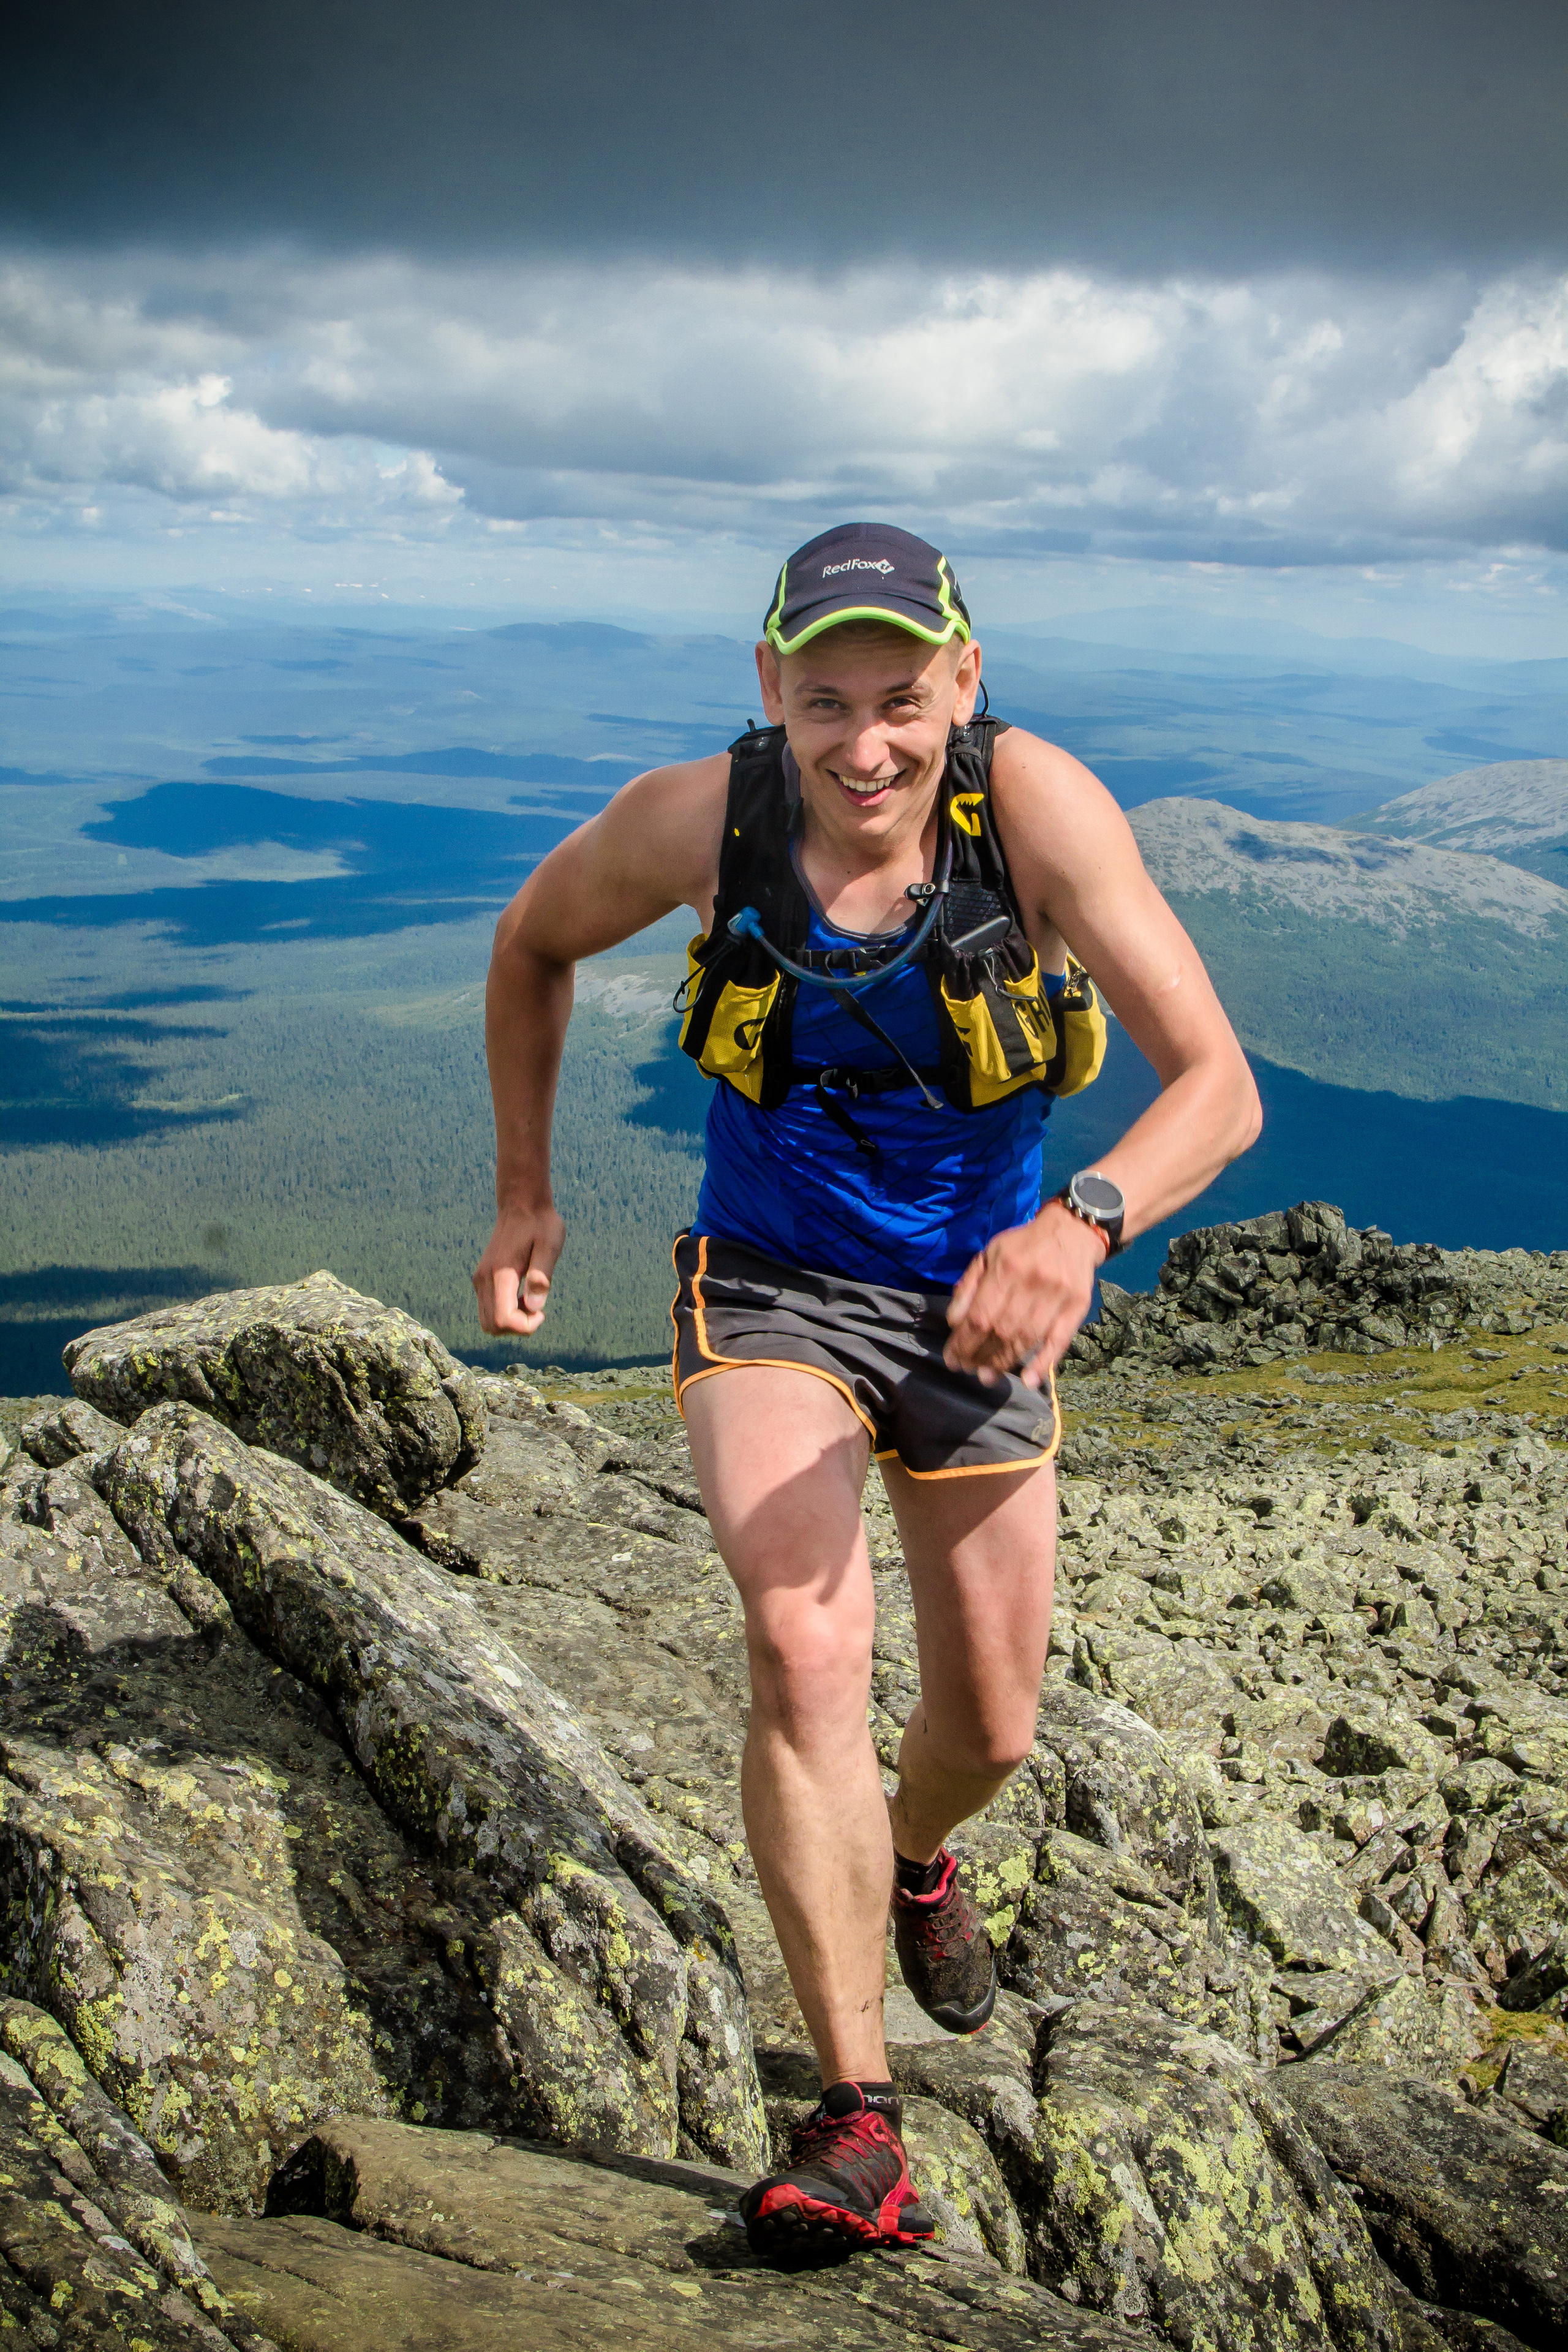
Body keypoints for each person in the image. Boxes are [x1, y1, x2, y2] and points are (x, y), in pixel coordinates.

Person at [473, 522, 1260, 2257]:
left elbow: (1219, 1087)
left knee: (990, 1726)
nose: (865, 745)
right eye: (824, 702)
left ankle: (913, 1858)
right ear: (770, 688)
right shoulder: (707, 817)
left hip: (986, 1302)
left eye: (902, 698)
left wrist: (1089, 1217)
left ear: (964, 683)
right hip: (768, 1282)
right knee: (808, 1637)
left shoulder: (1034, 809)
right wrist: (529, 1188)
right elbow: (533, 944)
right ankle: (856, 2117)